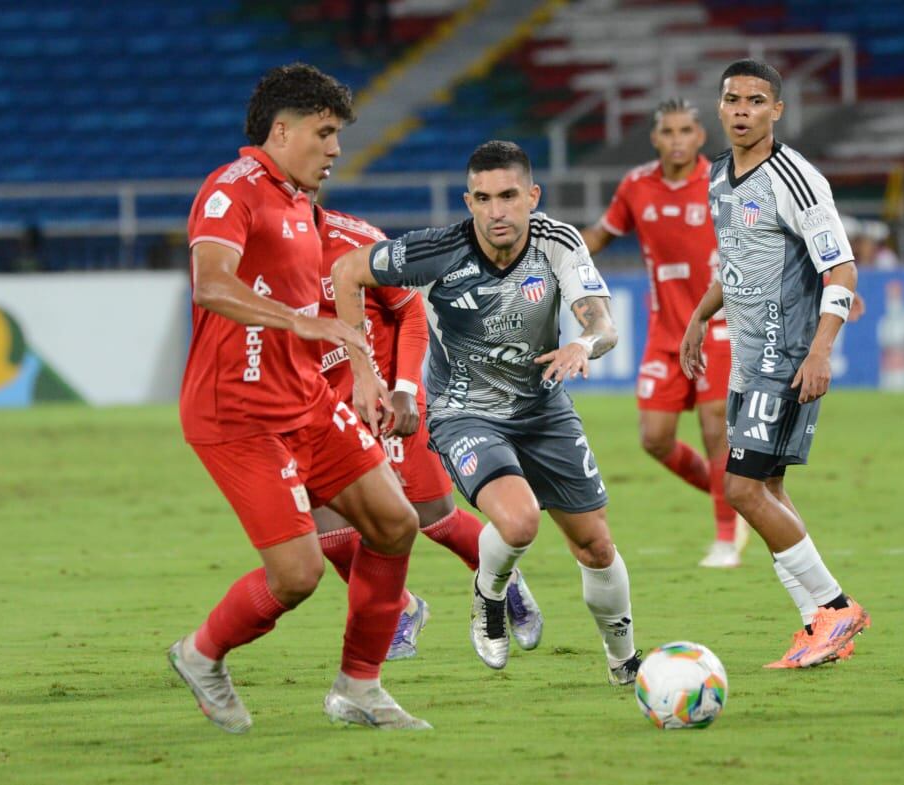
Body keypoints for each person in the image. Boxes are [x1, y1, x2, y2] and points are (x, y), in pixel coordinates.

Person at [167, 63, 430, 732]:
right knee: (297, 575)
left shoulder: (301, 204)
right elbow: (211, 284)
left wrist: (364, 369)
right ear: (282, 132)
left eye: (338, 134)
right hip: (238, 416)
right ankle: (201, 653)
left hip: (307, 402)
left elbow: (339, 294)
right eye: (325, 133)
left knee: (395, 522)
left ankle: (359, 686)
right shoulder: (231, 190)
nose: (335, 149)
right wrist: (300, 322)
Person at [332, 140, 642, 685]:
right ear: (468, 201)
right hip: (465, 412)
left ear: (532, 196)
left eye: (508, 196)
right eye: (483, 198)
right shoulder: (438, 251)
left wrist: (583, 344)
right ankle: (489, 592)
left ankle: (625, 663)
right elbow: (346, 271)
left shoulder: (558, 243)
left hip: (543, 408)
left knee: (596, 545)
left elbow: (603, 326)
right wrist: (363, 369)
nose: (497, 211)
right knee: (519, 521)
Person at [680, 60, 870, 669]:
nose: (742, 111)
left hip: (784, 355)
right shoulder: (717, 176)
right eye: (732, 99)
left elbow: (841, 269)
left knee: (741, 487)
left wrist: (820, 351)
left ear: (777, 111)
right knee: (766, 488)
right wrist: (699, 316)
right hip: (745, 356)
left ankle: (836, 607)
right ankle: (819, 626)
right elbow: (736, 259)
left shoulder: (796, 178)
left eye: (756, 101)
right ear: (719, 107)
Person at [310, 200, 544, 659]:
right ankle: (402, 608)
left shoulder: (355, 240)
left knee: (434, 518)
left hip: (386, 398)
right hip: (322, 408)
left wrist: (403, 389)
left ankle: (504, 580)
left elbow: (411, 313)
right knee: (330, 534)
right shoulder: (261, 257)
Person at [581, 98, 748, 568]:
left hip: (718, 325)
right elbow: (600, 236)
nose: (677, 140)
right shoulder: (637, 186)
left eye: (685, 131)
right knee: (655, 439)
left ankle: (726, 538)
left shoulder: (723, 182)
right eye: (668, 132)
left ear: (700, 136)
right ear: (655, 138)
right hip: (665, 333)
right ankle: (737, 498)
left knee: (716, 428)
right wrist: (555, 254)